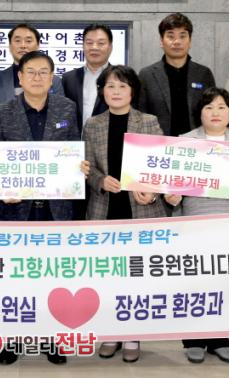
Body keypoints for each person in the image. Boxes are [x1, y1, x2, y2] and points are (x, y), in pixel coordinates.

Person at [0, 50, 79, 366]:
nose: (37, 77)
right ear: (20, 77)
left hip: (56, 209)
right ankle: (13, 339)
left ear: (52, 78)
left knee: (53, 278)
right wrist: (1, 189)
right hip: (17, 210)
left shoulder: (67, 108)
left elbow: (73, 151)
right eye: (31, 72)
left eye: (43, 72)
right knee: (16, 279)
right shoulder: (1, 112)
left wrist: (77, 167)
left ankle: (52, 339)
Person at [165, 87, 229, 364]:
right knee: (195, 281)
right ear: (200, 113)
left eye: (221, 107)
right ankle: (194, 339)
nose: (215, 112)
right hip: (194, 222)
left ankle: (220, 339)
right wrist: (172, 195)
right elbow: (172, 184)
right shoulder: (185, 141)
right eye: (209, 107)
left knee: (224, 282)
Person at [83, 65, 167, 363]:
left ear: (133, 91)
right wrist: (99, 180)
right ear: (102, 92)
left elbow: (161, 166)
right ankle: (110, 332)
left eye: (122, 86)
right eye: (110, 86)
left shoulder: (148, 122)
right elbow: (87, 167)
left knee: (135, 277)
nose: (116, 91)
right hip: (105, 210)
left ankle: (132, 334)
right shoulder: (93, 124)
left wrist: (153, 191)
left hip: (141, 210)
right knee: (108, 276)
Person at [0, 23, 63, 138]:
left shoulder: (54, 81)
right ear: (10, 46)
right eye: (18, 41)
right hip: (5, 146)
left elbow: (62, 119)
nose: (23, 45)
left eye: (28, 41)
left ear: (38, 45)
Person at [138, 13, 215, 136]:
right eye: (171, 36)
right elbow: (140, 116)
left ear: (190, 41)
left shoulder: (204, 74)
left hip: (196, 143)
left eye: (182, 36)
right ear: (161, 41)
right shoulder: (146, 75)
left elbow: (213, 112)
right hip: (158, 143)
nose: (177, 41)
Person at [62, 23, 112, 131]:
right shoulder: (68, 78)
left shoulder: (121, 79)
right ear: (83, 46)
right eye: (89, 43)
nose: (94, 47)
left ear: (110, 47)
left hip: (108, 139)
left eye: (101, 43)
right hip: (75, 140)